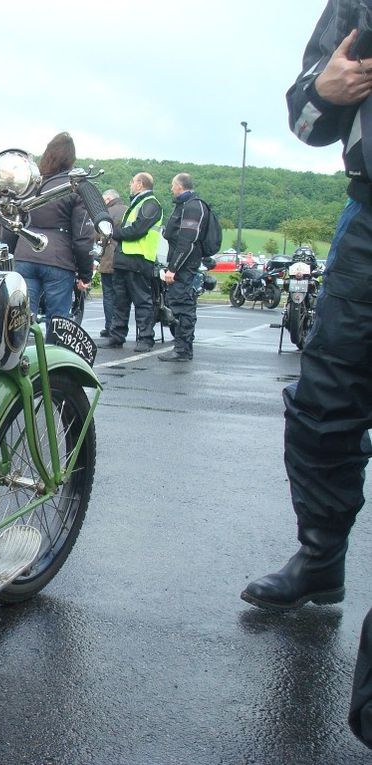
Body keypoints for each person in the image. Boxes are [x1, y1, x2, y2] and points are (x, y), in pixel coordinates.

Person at [233, 3, 372, 749]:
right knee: (323, 403)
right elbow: (305, 114)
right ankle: (321, 558)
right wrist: (331, 87)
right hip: (369, 212)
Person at [4, 132, 94, 334]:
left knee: (20, 319)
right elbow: (82, 237)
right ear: (71, 158)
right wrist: (85, 273)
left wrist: (11, 253)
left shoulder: (30, 184)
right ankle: (54, 362)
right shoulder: (74, 186)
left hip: (25, 254)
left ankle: (22, 361)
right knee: (58, 321)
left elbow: (10, 223)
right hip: (58, 259)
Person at [103, 173, 163, 352]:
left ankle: (146, 338)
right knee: (120, 301)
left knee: (142, 301)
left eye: (132, 182)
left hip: (139, 259)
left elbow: (138, 229)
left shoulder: (151, 203)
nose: (130, 185)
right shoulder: (138, 203)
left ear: (140, 184)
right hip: (124, 259)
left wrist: (115, 233)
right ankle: (116, 336)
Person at [157, 173, 209, 362]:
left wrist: (173, 268)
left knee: (182, 305)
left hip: (185, 265)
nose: (171, 188)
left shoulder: (193, 206)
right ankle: (181, 347)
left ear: (179, 186)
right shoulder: (185, 205)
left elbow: (187, 241)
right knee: (176, 304)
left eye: (173, 185)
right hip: (181, 263)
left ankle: (183, 349)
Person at [97, 189, 126, 338]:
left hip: (108, 259)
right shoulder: (129, 210)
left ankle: (110, 327)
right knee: (122, 297)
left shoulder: (106, 213)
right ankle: (121, 328)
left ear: (108, 199)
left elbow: (96, 234)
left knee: (108, 295)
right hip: (125, 259)